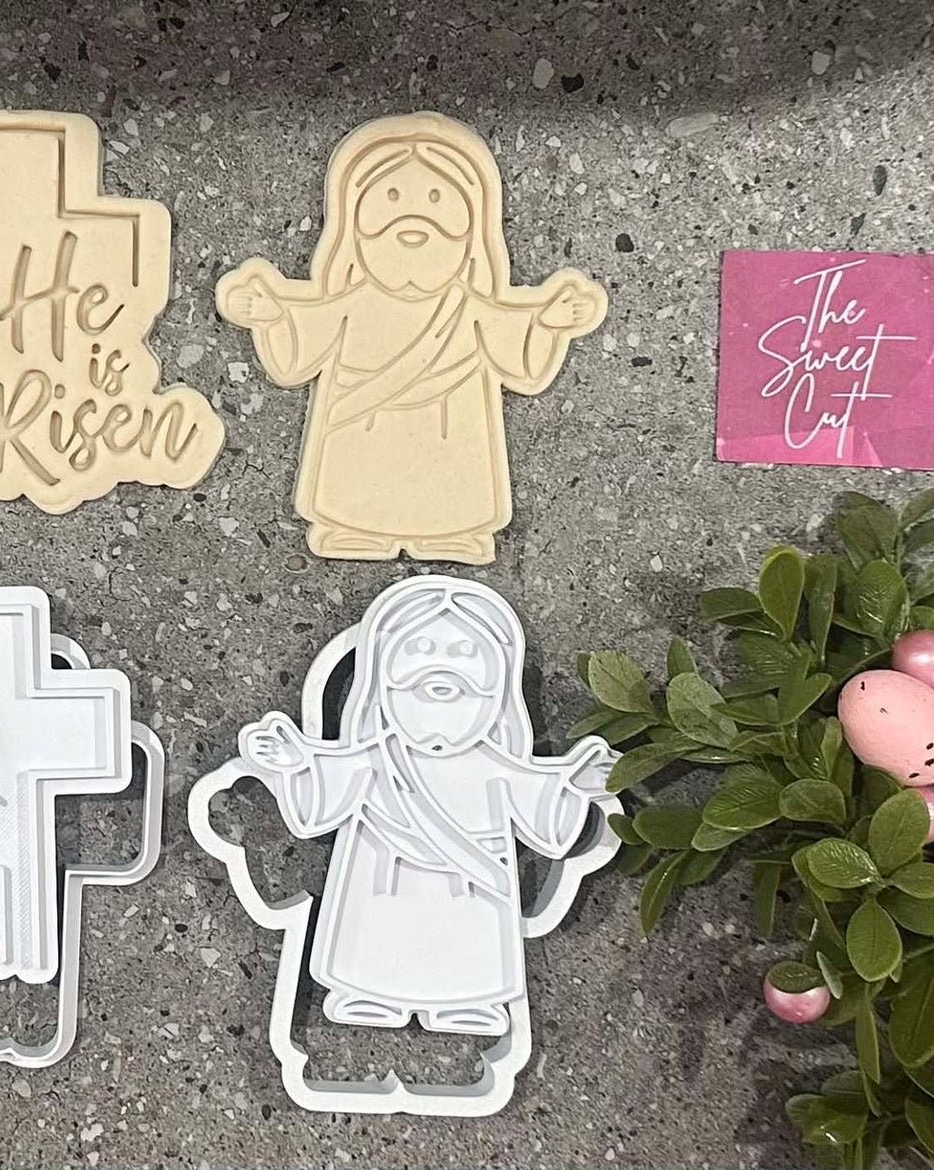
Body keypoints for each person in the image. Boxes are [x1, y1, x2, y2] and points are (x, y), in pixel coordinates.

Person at [217, 112, 605, 564]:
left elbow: (518, 357)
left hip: (450, 437)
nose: (414, 222)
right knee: (356, 491)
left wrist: (549, 323)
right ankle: (351, 525)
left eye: (438, 201)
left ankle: (453, 530)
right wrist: (271, 315)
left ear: (471, 231)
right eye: (391, 199)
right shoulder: (350, 303)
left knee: (451, 490)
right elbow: (299, 352)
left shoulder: (471, 307)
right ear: (355, 229)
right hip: (361, 444)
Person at [234, 579, 613, 1035]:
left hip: (471, 897)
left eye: (465, 655)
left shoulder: (497, 767)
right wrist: (294, 763)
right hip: (380, 886)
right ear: (384, 684)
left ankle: (470, 999)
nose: (443, 665)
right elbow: (321, 797)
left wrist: (578, 785)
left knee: (464, 950)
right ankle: (366, 990)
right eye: (422, 650)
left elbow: (546, 815)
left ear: (496, 694)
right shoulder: (374, 757)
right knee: (375, 944)